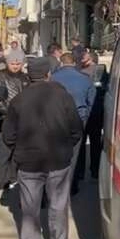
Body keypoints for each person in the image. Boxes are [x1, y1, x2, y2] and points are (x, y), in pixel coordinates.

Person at [2, 57, 83, 239]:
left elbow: (8, 136)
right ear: (48, 74)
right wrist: (65, 147)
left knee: (30, 210)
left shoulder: (18, 100)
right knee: (59, 205)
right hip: (59, 160)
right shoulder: (63, 96)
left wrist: (21, 149)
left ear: (29, 76)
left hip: (29, 162)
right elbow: (76, 129)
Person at [51, 53, 96, 194]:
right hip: (78, 118)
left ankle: (57, 183)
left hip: (57, 118)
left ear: (61, 63)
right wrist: (85, 115)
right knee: (76, 152)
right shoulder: (85, 78)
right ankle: (72, 184)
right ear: (74, 63)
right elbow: (91, 101)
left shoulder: (53, 78)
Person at [78, 51, 108, 180]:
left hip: (89, 112)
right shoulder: (101, 72)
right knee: (92, 142)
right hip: (92, 112)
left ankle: (84, 171)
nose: (81, 58)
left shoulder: (85, 72)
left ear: (90, 59)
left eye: (84, 57)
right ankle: (92, 171)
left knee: (86, 143)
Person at [0, 52, 30, 129]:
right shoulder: (0, 76)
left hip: (22, 116)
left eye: (18, 64)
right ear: (7, 63)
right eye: (12, 64)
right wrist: (8, 112)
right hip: (4, 117)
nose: (15, 66)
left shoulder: (25, 77)